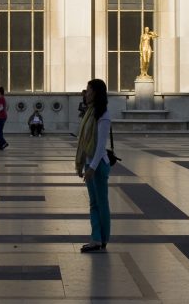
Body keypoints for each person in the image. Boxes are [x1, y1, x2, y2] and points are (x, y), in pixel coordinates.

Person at [75, 78, 112, 253]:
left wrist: (92, 168)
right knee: (93, 203)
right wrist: (84, 165)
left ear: (96, 93)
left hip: (98, 166)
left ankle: (103, 238)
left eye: (89, 90)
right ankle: (95, 238)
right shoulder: (89, 112)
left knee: (101, 203)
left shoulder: (103, 115)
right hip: (90, 165)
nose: (86, 93)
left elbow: (100, 146)